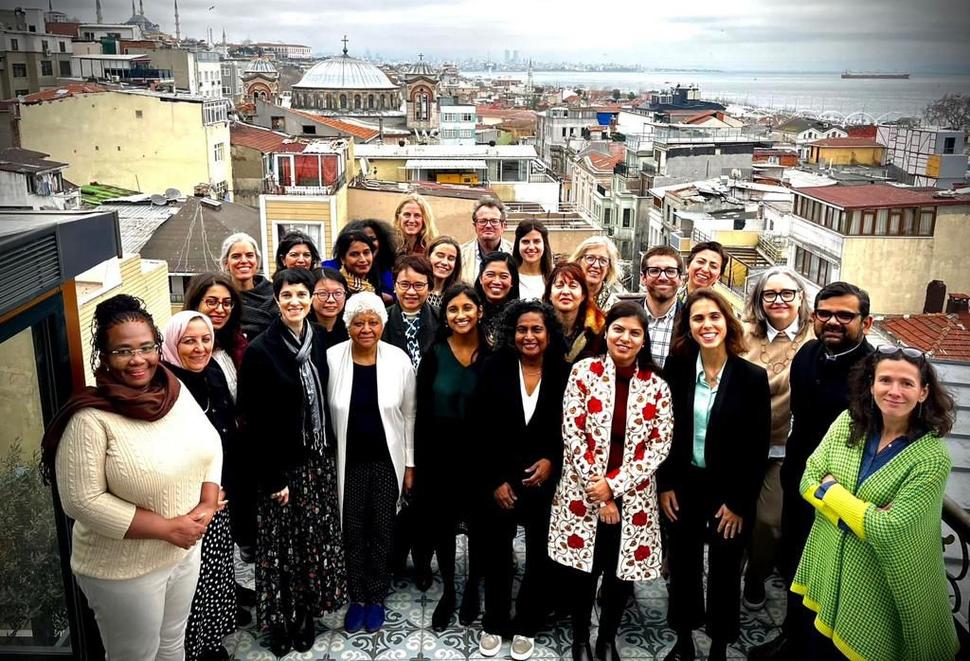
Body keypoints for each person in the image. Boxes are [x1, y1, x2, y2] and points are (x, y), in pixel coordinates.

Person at [42, 294, 222, 661]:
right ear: (104, 357)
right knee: (135, 654)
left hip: (183, 551)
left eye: (146, 347)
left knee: (173, 643)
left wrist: (207, 500)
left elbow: (210, 441)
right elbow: (81, 501)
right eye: (123, 351)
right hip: (124, 569)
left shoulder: (171, 389)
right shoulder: (90, 418)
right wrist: (168, 528)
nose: (138, 359)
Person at [792, 346, 957, 660]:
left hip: (875, 585)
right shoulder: (848, 423)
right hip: (829, 567)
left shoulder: (932, 457)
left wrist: (832, 492)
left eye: (907, 383)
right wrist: (861, 515)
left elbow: (889, 529)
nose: (894, 391)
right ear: (871, 385)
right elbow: (807, 480)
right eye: (885, 380)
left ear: (923, 392)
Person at [748, 282, 874, 661]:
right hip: (799, 479)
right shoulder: (806, 355)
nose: (833, 322)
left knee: (832, 579)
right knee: (796, 563)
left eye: (845, 316)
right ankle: (792, 637)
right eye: (825, 314)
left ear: (865, 323)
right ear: (814, 317)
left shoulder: (874, 372)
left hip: (844, 494)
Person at [548, 301, 674, 661]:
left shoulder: (657, 384)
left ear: (644, 339)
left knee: (620, 576)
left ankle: (606, 639)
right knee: (584, 572)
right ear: (606, 332)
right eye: (619, 329)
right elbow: (573, 433)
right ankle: (579, 639)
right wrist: (600, 493)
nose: (626, 337)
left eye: (635, 332)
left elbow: (658, 444)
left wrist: (614, 487)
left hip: (633, 499)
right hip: (584, 493)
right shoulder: (583, 372)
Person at [236, 268, 346, 657]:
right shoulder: (261, 351)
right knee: (281, 551)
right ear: (277, 301)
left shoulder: (317, 342)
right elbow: (252, 422)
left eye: (302, 294)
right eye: (288, 296)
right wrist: (272, 478)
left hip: (315, 463)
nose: (296, 302)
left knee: (309, 544)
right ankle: (281, 620)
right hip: (280, 470)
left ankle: (305, 613)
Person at [658, 289, 771, 661]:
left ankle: (720, 644)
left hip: (729, 490)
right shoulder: (676, 369)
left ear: (727, 322)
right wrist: (666, 485)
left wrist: (739, 503)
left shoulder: (751, 377)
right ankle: (684, 639)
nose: (707, 325)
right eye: (697, 318)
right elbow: (665, 433)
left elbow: (757, 447)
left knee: (724, 570)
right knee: (685, 565)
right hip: (685, 483)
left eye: (714, 317)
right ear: (688, 327)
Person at [474, 300, 569, 661]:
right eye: (522, 329)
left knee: (539, 556)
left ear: (549, 334)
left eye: (537, 329)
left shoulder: (565, 372)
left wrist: (552, 461)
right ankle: (495, 621)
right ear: (512, 333)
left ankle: (528, 622)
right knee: (497, 555)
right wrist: (496, 480)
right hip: (501, 483)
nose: (529, 336)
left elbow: (573, 430)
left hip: (544, 483)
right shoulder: (493, 368)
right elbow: (479, 430)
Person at [327, 292, 416, 634]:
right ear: (348, 324)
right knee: (351, 531)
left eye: (373, 322)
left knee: (381, 529)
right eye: (358, 322)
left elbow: (410, 414)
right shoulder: (333, 358)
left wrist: (410, 464)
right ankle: (357, 596)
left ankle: (376, 597)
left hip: (385, 462)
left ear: (383, 324)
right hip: (346, 462)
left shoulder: (398, 360)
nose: (366, 329)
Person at [161, 311, 238, 661]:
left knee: (216, 569)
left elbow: (227, 430)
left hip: (218, 496)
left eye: (205, 339)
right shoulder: (164, 388)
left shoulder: (213, 374)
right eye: (188, 341)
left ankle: (211, 638)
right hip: (184, 505)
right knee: (189, 582)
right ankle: (191, 648)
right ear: (173, 345)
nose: (199, 347)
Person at [414, 284, 489, 631]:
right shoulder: (434, 353)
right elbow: (421, 411)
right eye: (453, 309)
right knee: (442, 525)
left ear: (480, 312)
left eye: (467, 308)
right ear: (445, 316)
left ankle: (474, 585)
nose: (460, 315)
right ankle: (448, 590)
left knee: (478, 526)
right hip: (439, 454)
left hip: (479, 455)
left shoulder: (494, 355)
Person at [739, 266, 815, 611]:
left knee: (769, 521)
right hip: (741, 443)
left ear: (801, 297)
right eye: (770, 294)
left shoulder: (816, 338)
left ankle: (756, 574)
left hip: (785, 447)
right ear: (759, 300)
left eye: (788, 293)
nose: (779, 301)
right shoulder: (743, 334)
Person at [183, 273, 255, 566]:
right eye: (211, 302)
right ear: (195, 303)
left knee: (236, 525)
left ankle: (230, 591)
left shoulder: (238, 344)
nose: (220, 309)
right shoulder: (185, 353)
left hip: (239, 448)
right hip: (206, 459)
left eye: (227, 303)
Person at [543, 261, 605, 364]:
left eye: (573, 286)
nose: (566, 292)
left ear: (583, 295)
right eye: (559, 286)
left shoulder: (598, 331)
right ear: (549, 294)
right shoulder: (538, 327)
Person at [383, 255, 439, 369]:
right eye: (404, 284)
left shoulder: (442, 318)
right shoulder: (381, 320)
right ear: (394, 285)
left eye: (419, 285)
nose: (411, 292)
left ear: (429, 287)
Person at [221, 232, 276, 339]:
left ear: (257, 261)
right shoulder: (219, 298)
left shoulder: (276, 294)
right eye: (236, 256)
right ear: (226, 263)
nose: (244, 261)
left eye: (249, 255)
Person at [638, 246, 684, 368]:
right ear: (643, 278)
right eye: (654, 271)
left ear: (681, 279)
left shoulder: (690, 321)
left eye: (670, 271)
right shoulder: (626, 316)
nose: (663, 277)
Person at [461, 196, 513, 283]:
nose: (488, 226)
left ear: (503, 225)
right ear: (475, 226)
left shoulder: (515, 254)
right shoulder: (461, 254)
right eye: (483, 221)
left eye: (494, 221)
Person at [475, 251, 520, 347]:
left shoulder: (520, 315)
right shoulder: (471, 312)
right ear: (480, 279)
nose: (496, 281)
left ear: (512, 281)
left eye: (504, 276)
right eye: (490, 275)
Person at [568, 236, 622, 312]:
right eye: (590, 258)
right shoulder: (565, 298)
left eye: (603, 260)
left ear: (609, 268)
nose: (596, 265)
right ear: (578, 261)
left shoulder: (616, 308)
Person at [324, 229, 383, 298]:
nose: (363, 259)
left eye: (366, 253)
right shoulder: (335, 286)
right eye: (354, 254)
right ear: (342, 259)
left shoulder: (374, 282)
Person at [309, 268, 351, 349]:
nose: (331, 300)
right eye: (323, 293)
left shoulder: (351, 331)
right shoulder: (302, 332)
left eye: (338, 293)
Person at [512, 220, 554, 300]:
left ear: (544, 244)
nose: (531, 247)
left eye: (536, 241)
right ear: (518, 245)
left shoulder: (555, 278)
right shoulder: (509, 277)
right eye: (525, 242)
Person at [427, 235, 463, 312]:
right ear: (428, 256)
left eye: (451, 258)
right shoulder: (417, 292)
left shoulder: (460, 295)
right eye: (440, 256)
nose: (444, 262)